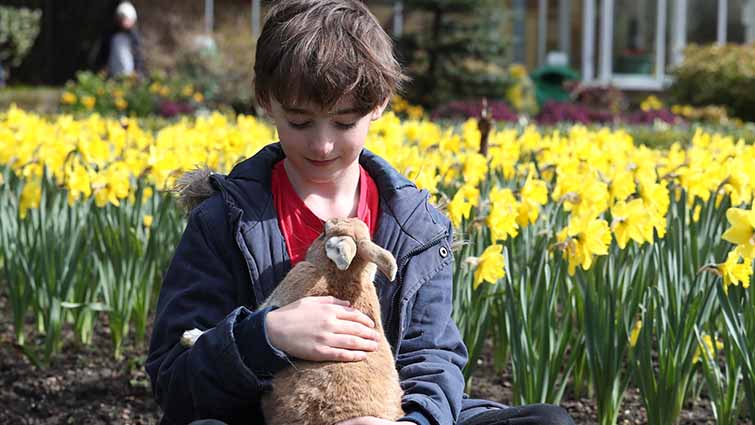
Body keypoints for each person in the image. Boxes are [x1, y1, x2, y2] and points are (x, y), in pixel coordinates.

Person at [145, 1, 576, 425]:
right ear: (265, 99)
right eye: (299, 122)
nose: (322, 145)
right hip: (268, 416)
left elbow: (431, 362)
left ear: (380, 104)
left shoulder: (416, 225)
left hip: (382, 414)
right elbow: (173, 382)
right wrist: (265, 336)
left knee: (547, 421)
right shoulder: (224, 220)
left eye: (344, 122)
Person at [104, 1, 145, 78]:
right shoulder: (112, 36)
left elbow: (138, 55)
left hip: (129, 76)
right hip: (113, 75)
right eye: (122, 18)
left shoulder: (133, 37)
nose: (124, 22)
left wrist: (138, 71)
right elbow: (105, 53)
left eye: (126, 19)